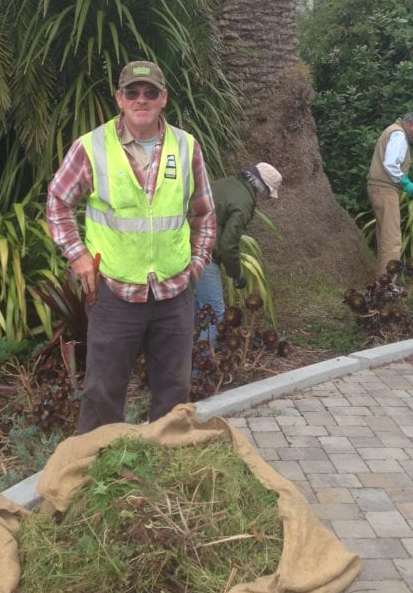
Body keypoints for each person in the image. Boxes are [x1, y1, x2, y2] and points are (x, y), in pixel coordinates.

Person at [46, 59, 216, 433]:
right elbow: (58, 201)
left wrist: (197, 264)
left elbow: (204, 212)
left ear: (163, 98)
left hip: (174, 293)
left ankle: (165, 462)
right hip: (115, 294)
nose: (142, 99)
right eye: (133, 92)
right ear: (120, 99)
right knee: (102, 393)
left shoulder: (186, 147)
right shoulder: (91, 147)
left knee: (174, 392)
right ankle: (98, 473)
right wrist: (78, 257)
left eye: (150, 92)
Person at [194, 163, 282, 341]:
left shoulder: (228, 183)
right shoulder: (244, 203)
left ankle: (186, 365)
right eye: (267, 195)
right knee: (213, 315)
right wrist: (236, 275)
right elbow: (228, 243)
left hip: (181, 247)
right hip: (202, 253)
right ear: (262, 189)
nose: (264, 200)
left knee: (196, 313)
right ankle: (199, 369)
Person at [367, 110, 413, 277]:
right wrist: (406, 183)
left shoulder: (393, 130)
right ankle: (388, 284)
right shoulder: (399, 135)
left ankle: (382, 280)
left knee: (384, 236)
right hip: (385, 190)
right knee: (392, 239)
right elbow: (390, 163)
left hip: (378, 187)